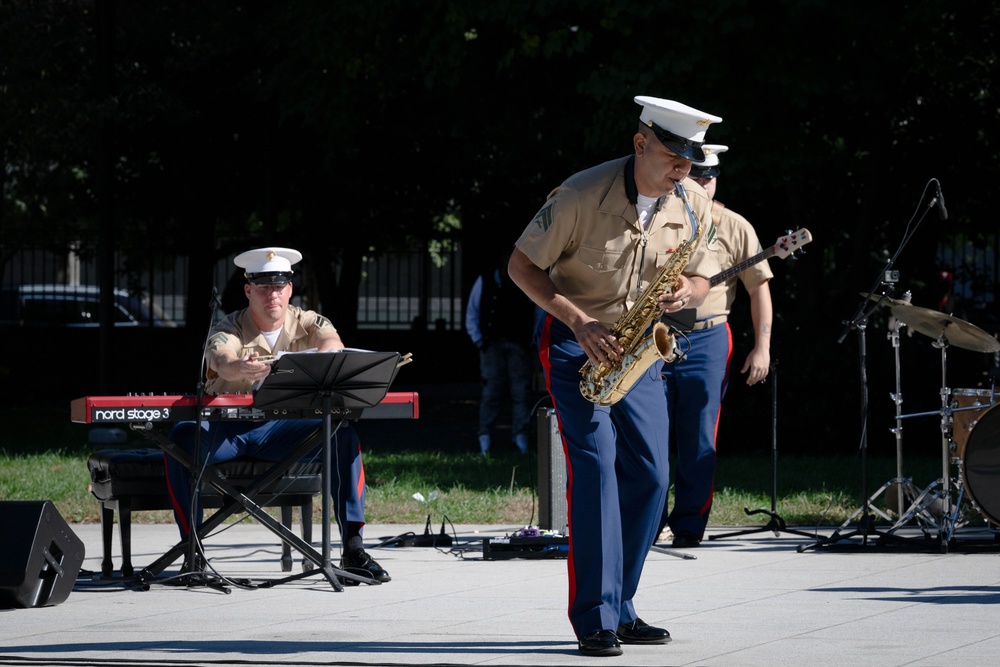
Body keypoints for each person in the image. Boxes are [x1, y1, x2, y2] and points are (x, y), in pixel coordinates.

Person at [508, 96, 722, 657]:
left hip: (638, 350)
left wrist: (687, 293)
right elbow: (521, 266)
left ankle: (621, 605)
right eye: (675, 156)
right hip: (576, 346)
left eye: (690, 159)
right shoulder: (581, 194)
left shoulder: (694, 201)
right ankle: (596, 618)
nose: (684, 169)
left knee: (652, 477)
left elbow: (701, 279)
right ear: (640, 143)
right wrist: (578, 323)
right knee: (598, 473)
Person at [164, 246, 390, 584]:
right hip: (230, 430)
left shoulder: (306, 320)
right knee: (181, 439)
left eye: (280, 286)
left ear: (290, 289)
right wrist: (238, 365)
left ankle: (354, 549)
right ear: (248, 290)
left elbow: (332, 340)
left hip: (283, 430)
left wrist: (325, 356)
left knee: (342, 436)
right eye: (264, 287)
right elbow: (220, 356)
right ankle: (192, 552)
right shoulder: (229, 326)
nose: (273, 294)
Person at [657, 144, 773, 548]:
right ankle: (648, 521)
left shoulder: (735, 225)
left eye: (709, 177)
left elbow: (759, 288)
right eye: (695, 177)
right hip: (658, 334)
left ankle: (688, 526)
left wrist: (763, 347)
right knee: (648, 432)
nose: (702, 184)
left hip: (707, 335)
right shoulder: (659, 215)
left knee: (699, 436)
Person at [464, 251, 537, 454]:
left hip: (519, 344)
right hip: (492, 345)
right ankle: (485, 437)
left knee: (521, 391)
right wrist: (480, 340)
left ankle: (520, 437)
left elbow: (538, 312)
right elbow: (473, 311)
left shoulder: (528, 280)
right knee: (491, 391)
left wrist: (532, 341)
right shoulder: (486, 280)